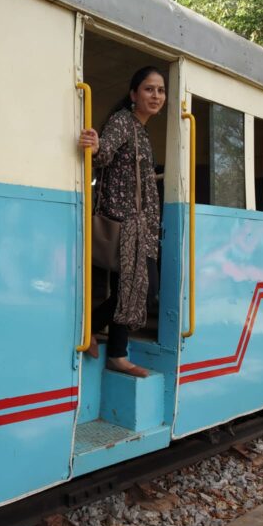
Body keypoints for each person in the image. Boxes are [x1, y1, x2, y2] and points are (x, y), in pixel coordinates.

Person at [78, 66, 165, 377]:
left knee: (130, 289)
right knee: (143, 288)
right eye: (149, 89)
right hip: (126, 227)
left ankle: (116, 353)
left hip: (141, 229)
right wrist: (96, 144)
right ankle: (89, 326)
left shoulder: (141, 130)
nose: (156, 96)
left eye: (160, 90)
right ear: (133, 94)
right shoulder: (122, 122)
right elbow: (104, 152)